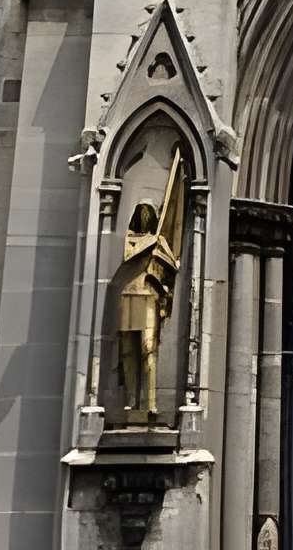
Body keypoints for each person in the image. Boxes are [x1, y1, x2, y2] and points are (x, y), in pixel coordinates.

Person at [113, 149, 185, 422]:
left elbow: (171, 266)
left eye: (148, 212)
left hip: (148, 297)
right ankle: (132, 402)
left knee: (147, 349)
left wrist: (160, 254)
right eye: (140, 212)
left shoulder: (160, 244)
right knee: (128, 351)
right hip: (128, 295)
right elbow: (127, 255)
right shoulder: (130, 242)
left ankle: (151, 402)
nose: (144, 216)